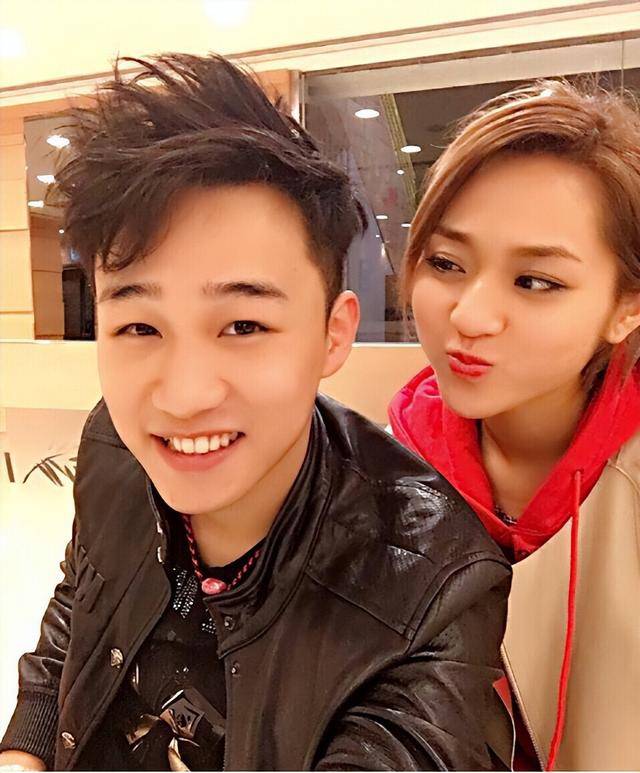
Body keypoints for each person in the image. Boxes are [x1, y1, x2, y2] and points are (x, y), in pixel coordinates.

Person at [0, 53, 513, 771]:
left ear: (333, 333)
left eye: (243, 326)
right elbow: (79, 608)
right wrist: (24, 751)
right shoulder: (114, 441)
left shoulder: (432, 584)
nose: (182, 397)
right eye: (139, 326)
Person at [388, 78, 640, 771]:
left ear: (626, 307)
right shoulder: (380, 481)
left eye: (534, 281)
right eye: (446, 263)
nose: (469, 315)